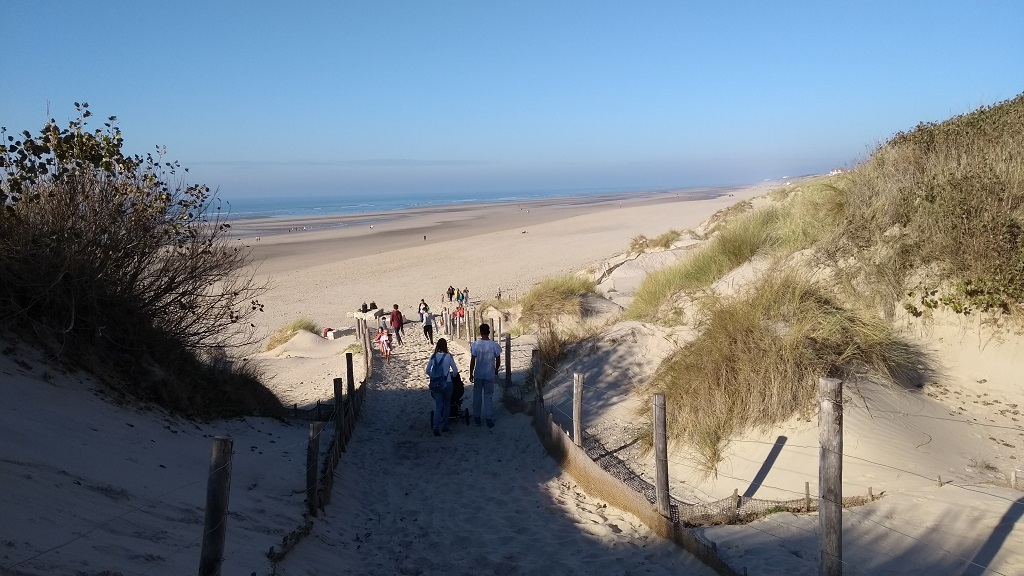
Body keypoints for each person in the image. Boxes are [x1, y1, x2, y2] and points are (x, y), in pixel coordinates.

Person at [469, 323, 502, 428]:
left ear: (480, 331)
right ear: (488, 332)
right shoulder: (494, 345)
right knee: (488, 396)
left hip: (478, 373)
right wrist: (496, 369)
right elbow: (498, 359)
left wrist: (471, 373)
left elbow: (473, 360)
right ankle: (488, 418)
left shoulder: (475, 344)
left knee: (477, 396)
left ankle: (477, 417)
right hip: (489, 374)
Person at [426, 339, 459, 436]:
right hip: (447, 383)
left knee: (438, 405)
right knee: (447, 404)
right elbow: (455, 370)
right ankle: (445, 426)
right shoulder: (448, 356)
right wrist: (452, 376)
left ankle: (436, 426)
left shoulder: (433, 356)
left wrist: (433, 376)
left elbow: (427, 370)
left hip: (436, 384)